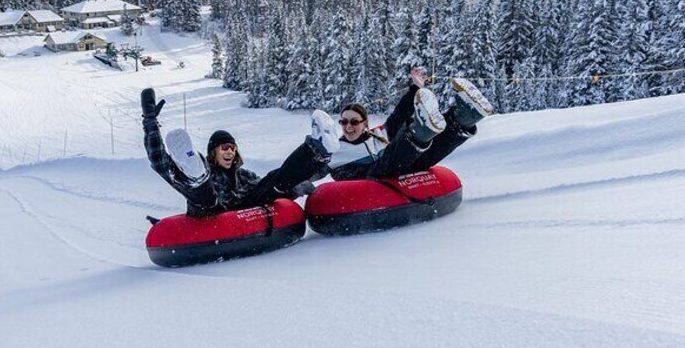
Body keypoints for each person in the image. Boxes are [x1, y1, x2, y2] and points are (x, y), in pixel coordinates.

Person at [141, 88, 340, 217]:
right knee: (205, 194)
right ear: (213, 152)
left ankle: (316, 150)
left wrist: (300, 181)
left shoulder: (244, 175)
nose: (230, 151)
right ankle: (194, 176)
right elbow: (160, 163)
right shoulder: (212, 173)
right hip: (211, 212)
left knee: (272, 180)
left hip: (244, 212)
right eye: (224, 148)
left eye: (232, 148)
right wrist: (150, 122)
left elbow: (274, 186)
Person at [325, 67, 494, 181]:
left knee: (427, 153)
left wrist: (416, 88)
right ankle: (420, 132)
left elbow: (399, 114)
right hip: (363, 178)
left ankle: (464, 117)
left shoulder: (378, 135)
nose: (348, 126)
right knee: (387, 162)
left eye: (354, 121)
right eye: (344, 121)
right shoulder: (335, 150)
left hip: (398, 168)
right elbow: (312, 169)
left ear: (364, 123)